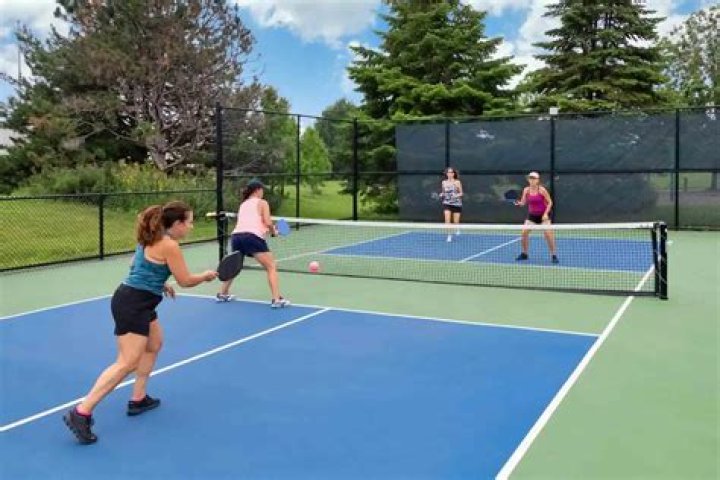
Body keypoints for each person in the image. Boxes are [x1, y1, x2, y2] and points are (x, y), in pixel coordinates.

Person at [63, 201, 218, 444]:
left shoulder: (149, 238)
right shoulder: (170, 245)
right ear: (177, 224)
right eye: (189, 222)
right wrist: (206, 276)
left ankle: (138, 398)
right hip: (133, 304)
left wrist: (161, 282)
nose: (191, 226)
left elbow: (136, 265)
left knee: (154, 343)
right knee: (126, 362)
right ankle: (81, 412)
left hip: (138, 300)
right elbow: (186, 281)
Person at [216, 179, 290, 308]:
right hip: (251, 237)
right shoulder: (262, 203)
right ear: (257, 190)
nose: (263, 192)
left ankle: (222, 293)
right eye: (262, 190)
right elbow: (267, 222)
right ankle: (276, 299)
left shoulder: (243, 204)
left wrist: (270, 231)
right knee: (271, 266)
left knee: (234, 266)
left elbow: (252, 223)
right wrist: (273, 231)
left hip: (236, 237)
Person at [514, 171, 558, 263]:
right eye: (530, 178)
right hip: (532, 216)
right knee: (524, 233)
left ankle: (553, 255)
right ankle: (524, 254)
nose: (532, 180)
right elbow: (523, 202)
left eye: (534, 178)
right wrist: (519, 203)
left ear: (538, 180)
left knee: (548, 234)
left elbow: (550, 202)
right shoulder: (526, 190)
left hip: (543, 215)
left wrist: (546, 214)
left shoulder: (542, 190)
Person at [440, 167, 463, 242]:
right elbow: (443, 192)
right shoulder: (443, 182)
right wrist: (442, 194)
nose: (450, 174)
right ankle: (449, 235)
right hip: (447, 203)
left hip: (457, 204)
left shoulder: (457, 182)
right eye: (448, 172)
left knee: (456, 222)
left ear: (454, 174)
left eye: (451, 172)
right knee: (447, 221)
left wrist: (456, 195)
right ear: (446, 174)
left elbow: (461, 193)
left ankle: (457, 228)